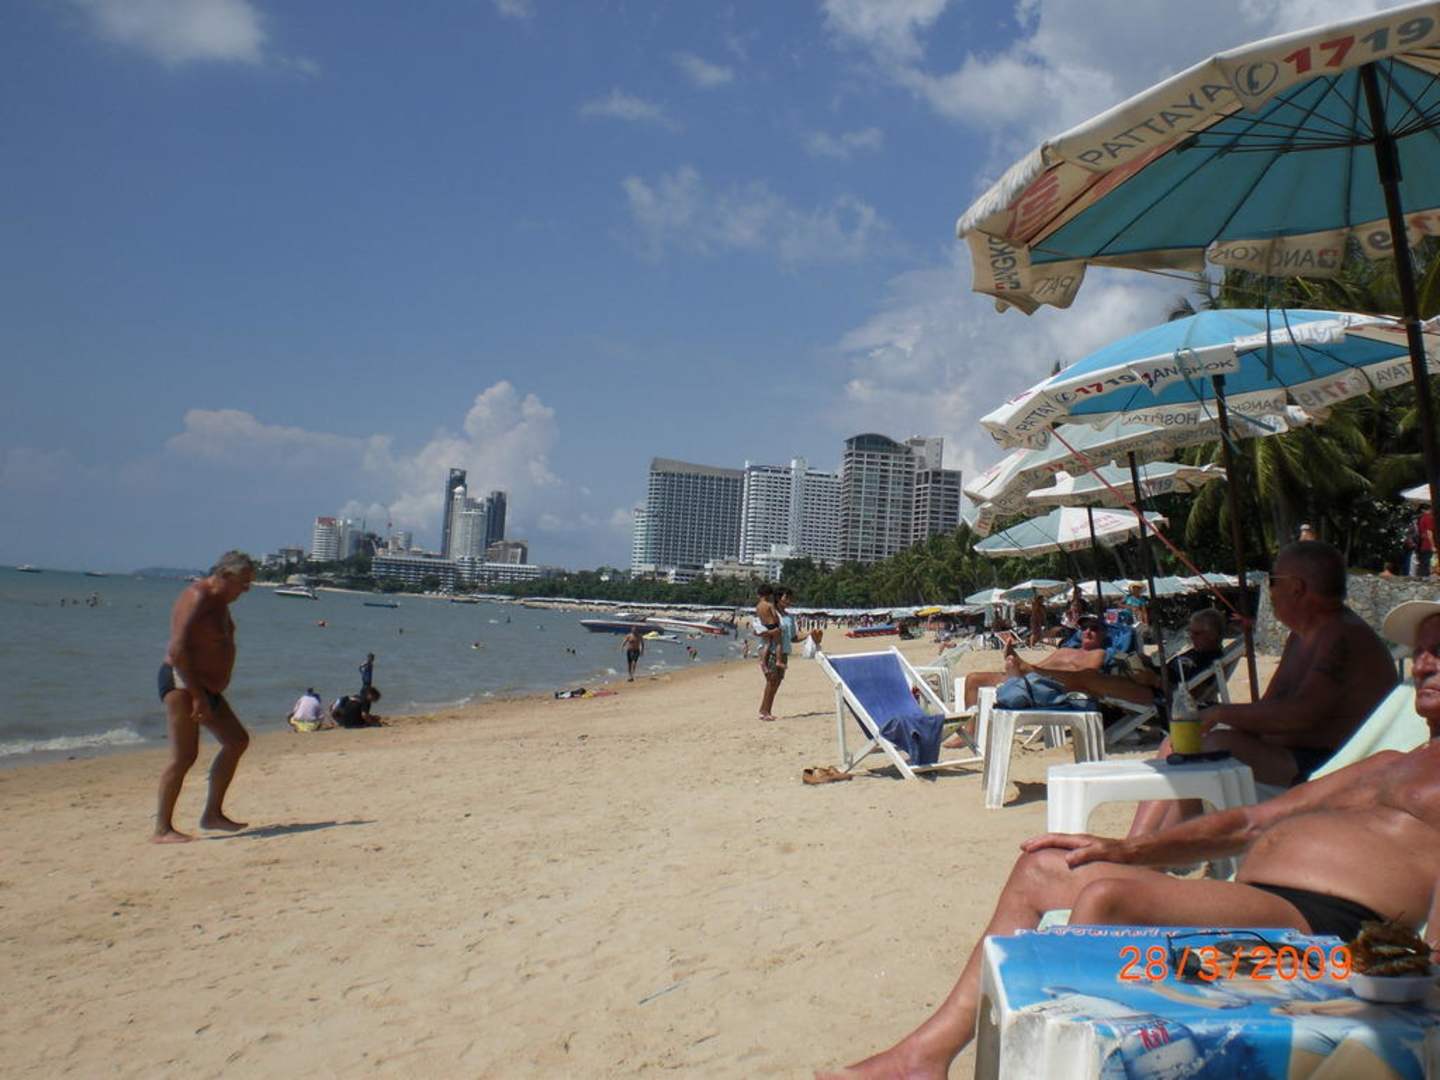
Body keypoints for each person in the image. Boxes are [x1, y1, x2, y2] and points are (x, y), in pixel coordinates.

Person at [817, 599, 1440, 1079]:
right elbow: (1248, 823)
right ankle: (924, 1056)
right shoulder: (1388, 763)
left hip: (1326, 927)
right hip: (1261, 895)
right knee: (1044, 866)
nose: (1425, 664)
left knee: (1110, 899)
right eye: (1422, 652)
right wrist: (1127, 849)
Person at [1127, 540, 1396, 839]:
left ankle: (1157, 849)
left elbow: (1300, 716)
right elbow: (1270, 707)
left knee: (1205, 747)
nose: (1270, 591)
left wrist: (1218, 713)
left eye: (1273, 581)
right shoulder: (1304, 636)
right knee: (1178, 741)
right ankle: (1137, 843)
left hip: (1332, 768)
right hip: (1293, 757)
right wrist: (1211, 720)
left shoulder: (1341, 636)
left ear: (1296, 588)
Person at [153, 550, 256, 843]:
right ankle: (162, 829)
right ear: (225, 575)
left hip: (204, 687)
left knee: (237, 740)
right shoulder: (198, 596)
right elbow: (177, 651)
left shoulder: (220, 603)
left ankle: (212, 814)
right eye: (243, 583)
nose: (246, 590)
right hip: (184, 682)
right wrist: (197, 695)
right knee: (184, 756)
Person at [1419, 503, 1437, 578]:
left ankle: (1424, 578)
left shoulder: (1422, 518)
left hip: (1424, 543)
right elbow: (1429, 532)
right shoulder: (1428, 518)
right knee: (1430, 563)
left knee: (1424, 563)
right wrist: (1433, 546)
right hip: (1428, 544)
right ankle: (1427, 578)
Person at [358, 652, 376, 718]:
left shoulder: (370, 664)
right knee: (365, 698)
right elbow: (360, 667)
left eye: (372, 658)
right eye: (371, 658)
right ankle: (364, 713)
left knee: (366, 699)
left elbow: (360, 667)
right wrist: (362, 670)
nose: (372, 659)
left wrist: (362, 666)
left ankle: (365, 713)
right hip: (366, 684)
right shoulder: (368, 664)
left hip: (367, 684)